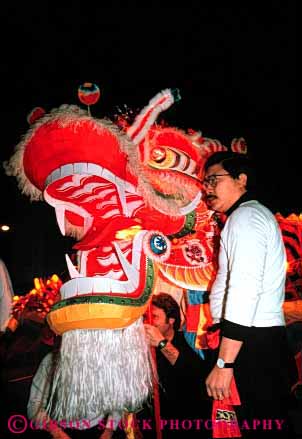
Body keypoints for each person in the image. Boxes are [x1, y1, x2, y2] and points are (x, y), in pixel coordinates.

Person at [202, 151, 294, 438]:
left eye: (213, 179)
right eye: (205, 181)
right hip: (252, 341)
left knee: (258, 425)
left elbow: (243, 290)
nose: (207, 188)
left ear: (241, 179)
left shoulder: (245, 218)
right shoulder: (246, 217)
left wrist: (224, 363)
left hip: (251, 345)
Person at [143, 292, 212, 438]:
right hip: (153, 423)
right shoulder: (142, 346)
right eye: (146, 317)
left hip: (184, 422)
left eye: (154, 317)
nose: (148, 322)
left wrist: (161, 343)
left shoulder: (187, 339)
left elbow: (192, 370)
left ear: (171, 320)